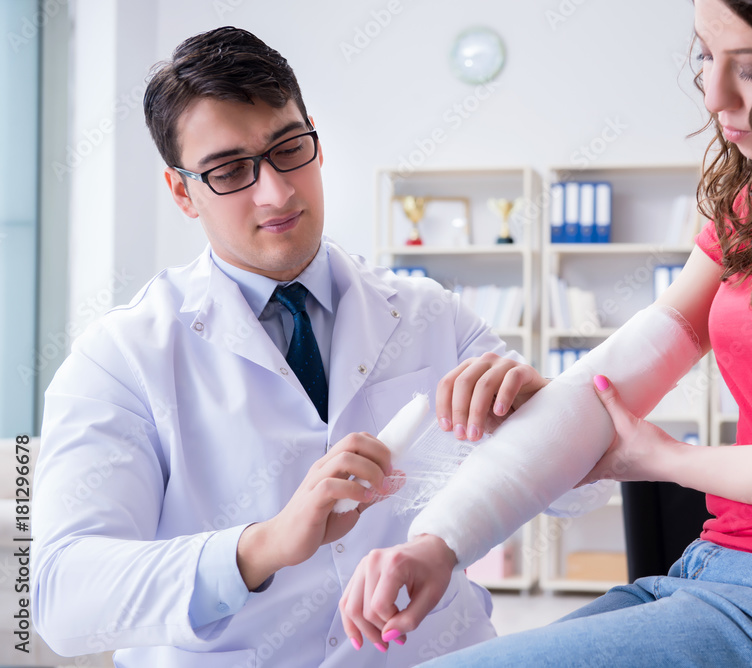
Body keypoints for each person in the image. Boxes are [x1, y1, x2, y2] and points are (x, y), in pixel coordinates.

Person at [339, 0, 752, 665]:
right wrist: (439, 542)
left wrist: (664, 459)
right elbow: (644, 350)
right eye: (707, 56)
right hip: (721, 565)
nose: (714, 95)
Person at [30, 26, 603, 668]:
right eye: (228, 171)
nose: (275, 192)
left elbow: (577, 495)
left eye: (288, 149)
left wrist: (549, 415)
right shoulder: (122, 356)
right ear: (182, 192)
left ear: (317, 146)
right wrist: (263, 547)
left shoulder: (428, 312)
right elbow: (64, 598)